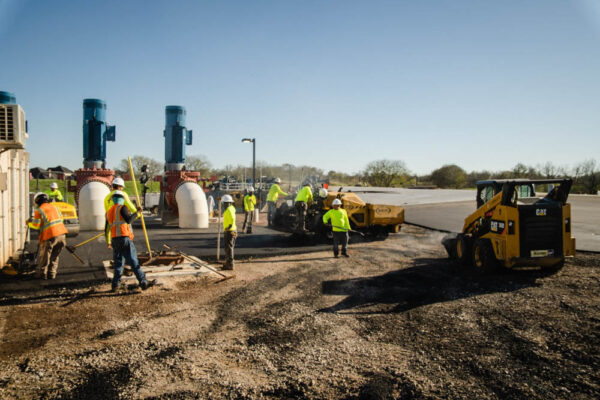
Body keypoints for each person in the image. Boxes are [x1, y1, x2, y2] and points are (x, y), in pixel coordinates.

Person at [105, 191, 155, 292]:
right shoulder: (122, 208)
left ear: (113, 199)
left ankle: (115, 285)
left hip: (115, 239)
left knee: (118, 263)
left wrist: (109, 242)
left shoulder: (109, 211)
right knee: (133, 261)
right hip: (124, 238)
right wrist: (137, 213)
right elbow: (128, 220)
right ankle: (143, 282)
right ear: (122, 199)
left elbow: (106, 229)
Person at [27, 193, 68, 279]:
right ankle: (52, 274)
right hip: (62, 235)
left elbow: (36, 225)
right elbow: (60, 219)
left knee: (45, 256)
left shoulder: (39, 210)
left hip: (50, 236)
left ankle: (42, 274)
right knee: (54, 256)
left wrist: (28, 222)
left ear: (37, 202)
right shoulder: (55, 207)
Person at [222, 194, 237, 270]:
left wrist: (229, 227)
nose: (223, 205)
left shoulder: (229, 209)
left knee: (229, 247)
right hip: (231, 230)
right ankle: (228, 262)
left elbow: (232, 219)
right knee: (228, 247)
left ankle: (230, 264)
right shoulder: (230, 209)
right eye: (223, 203)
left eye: (224, 203)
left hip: (230, 231)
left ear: (228, 203)